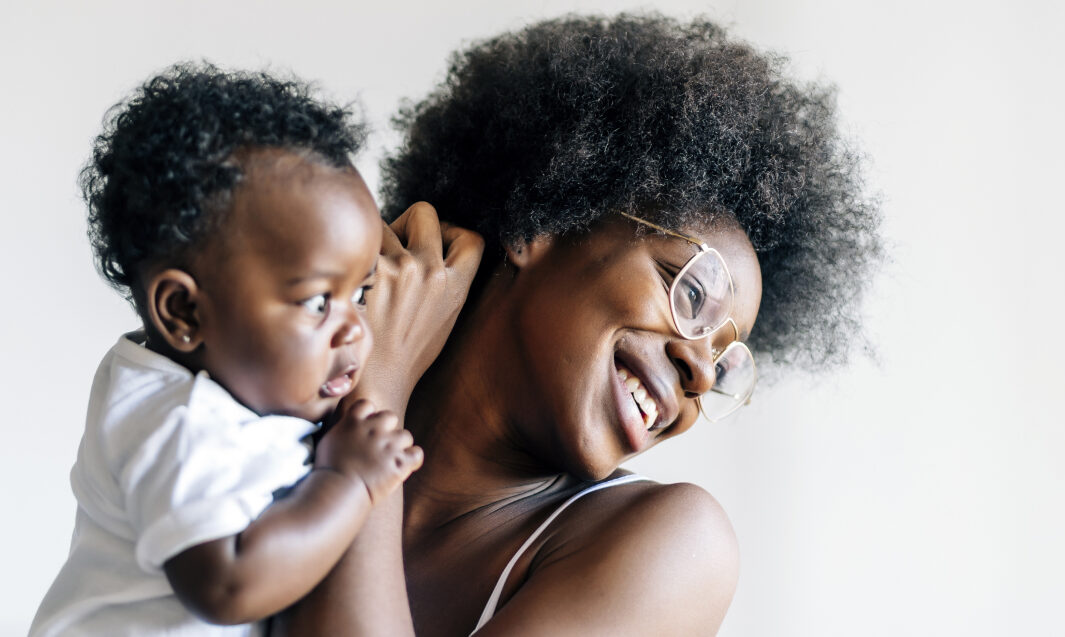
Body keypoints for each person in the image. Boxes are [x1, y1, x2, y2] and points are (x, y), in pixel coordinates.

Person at [275, 13, 881, 637]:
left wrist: (376, 398)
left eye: (725, 364)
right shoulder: (267, 411)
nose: (701, 372)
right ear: (542, 218)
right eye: (692, 292)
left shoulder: (673, 545)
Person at [31, 64, 478, 636]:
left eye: (359, 292)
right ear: (184, 312)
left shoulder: (229, 388)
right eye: (318, 302)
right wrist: (349, 482)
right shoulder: (180, 422)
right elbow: (229, 585)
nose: (355, 331)